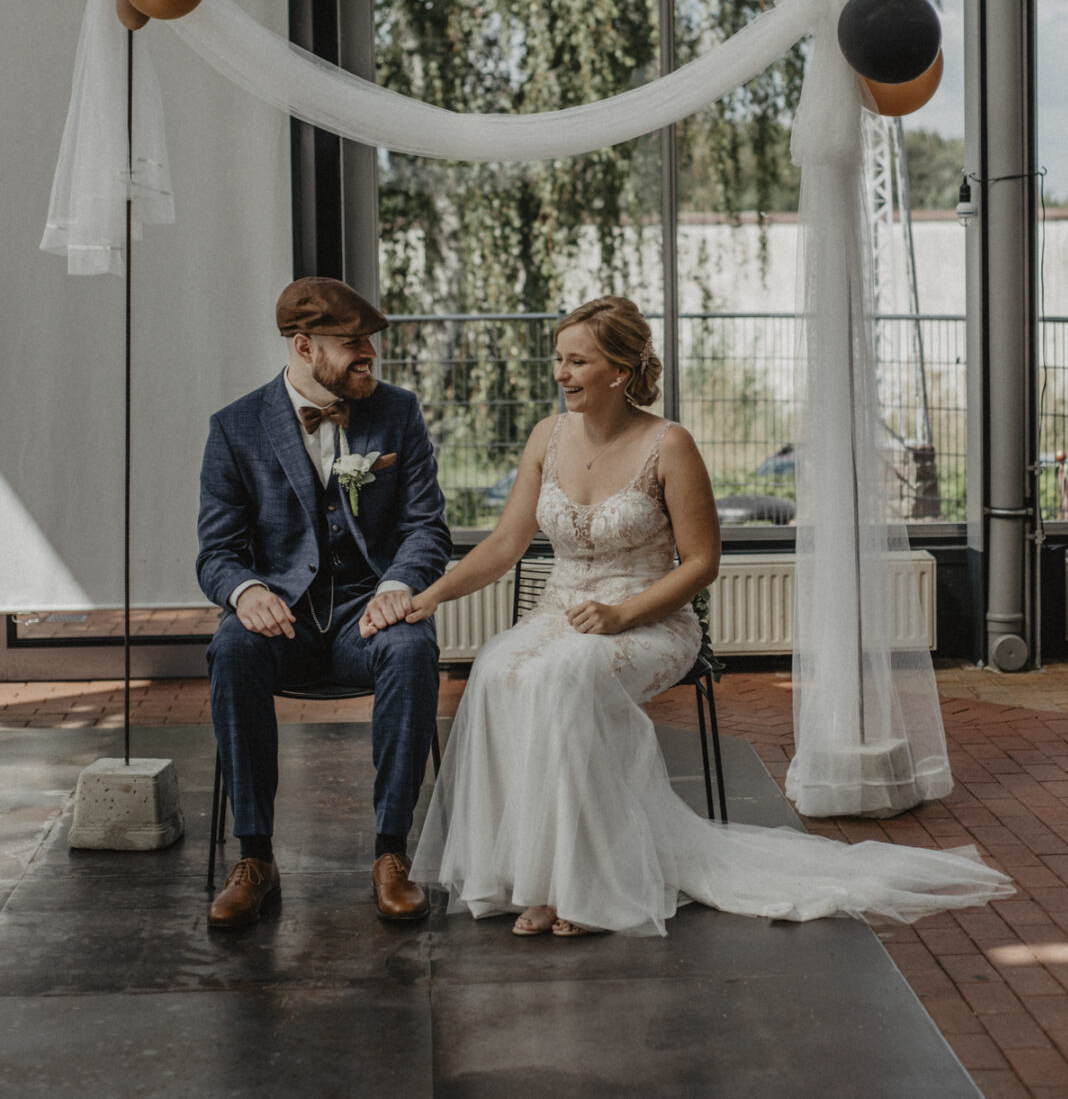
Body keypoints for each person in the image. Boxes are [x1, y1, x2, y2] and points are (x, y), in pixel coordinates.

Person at [364, 295, 1013, 937]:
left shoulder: (669, 445)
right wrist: (426, 598)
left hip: (651, 617)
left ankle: (585, 887)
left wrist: (621, 615)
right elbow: (505, 544)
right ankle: (533, 876)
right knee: (499, 670)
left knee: (564, 679)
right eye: (558, 360)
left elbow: (701, 563)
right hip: (560, 608)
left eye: (577, 362)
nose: (561, 374)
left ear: (619, 370)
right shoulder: (546, 436)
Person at [198, 276, 451, 928]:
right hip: (281, 621)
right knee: (230, 645)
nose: (369, 352)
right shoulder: (234, 428)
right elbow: (215, 553)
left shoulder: (398, 412)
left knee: (413, 643)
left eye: (370, 341)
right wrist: (246, 589)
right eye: (352, 343)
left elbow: (428, 527)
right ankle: (255, 856)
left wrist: (399, 586)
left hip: (366, 617)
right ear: (304, 346)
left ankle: (391, 853)